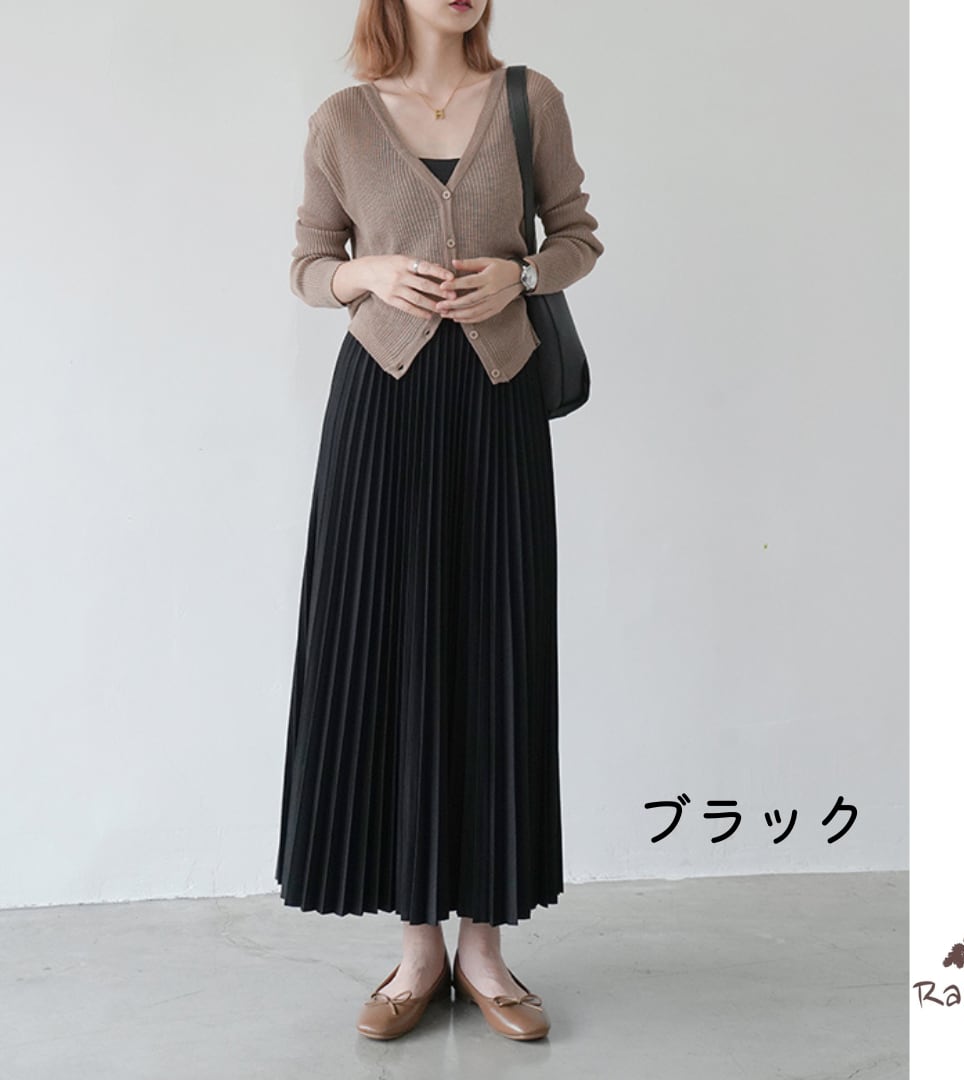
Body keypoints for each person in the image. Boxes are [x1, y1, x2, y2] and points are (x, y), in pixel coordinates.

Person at [274, 0, 603, 1042]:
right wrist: (366, 272)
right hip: (382, 410)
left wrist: (524, 273)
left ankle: (485, 952)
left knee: (496, 648)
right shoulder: (341, 119)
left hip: (498, 405)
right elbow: (307, 266)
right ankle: (417, 953)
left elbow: (579, 237)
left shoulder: (529, 99)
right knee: (390, 656)